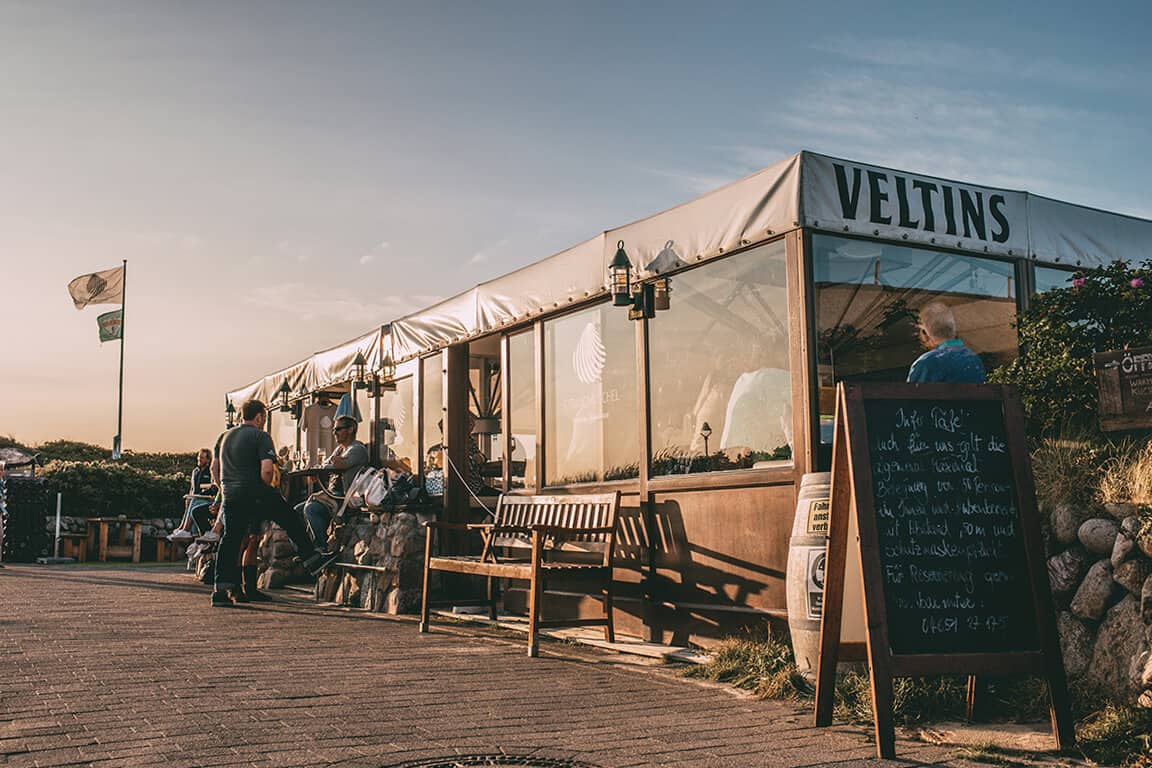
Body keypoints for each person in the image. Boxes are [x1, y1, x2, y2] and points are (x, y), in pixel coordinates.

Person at [210, 399, 337, 608]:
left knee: (230, 539)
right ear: (259, 417)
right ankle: (311, 558)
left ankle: (221, 590)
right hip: (255, 490)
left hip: (230, 494)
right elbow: (267, 470)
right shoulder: (261, 436)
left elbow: (215, 468)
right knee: (290, 517)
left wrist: (224, 487)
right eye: (265, 418)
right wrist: (265, 488)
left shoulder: (223, 437)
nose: (264, 421)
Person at [295, 415, 368, 548]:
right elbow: (327, 464)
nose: (334, 433)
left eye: (338, 429)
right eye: (334, 430)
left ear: (351, 429)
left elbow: (339, 465)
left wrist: (332, 464)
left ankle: (322, 549)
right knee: (296, 511)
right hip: (331, 495)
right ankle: (305, 550)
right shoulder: (340, 449)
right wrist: (323, 467)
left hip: (344, 498)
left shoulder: (357, 449)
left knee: (312, 509)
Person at [907, 302, 987, 383]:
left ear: (926, 332)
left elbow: (911, 394)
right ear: (953, 327)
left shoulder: (926, 363)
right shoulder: (974, 360)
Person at [169, 449, 216, 542]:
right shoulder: (195, 471)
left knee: (194, 501)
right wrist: (189, 497)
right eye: (198, 457)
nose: (199, 459)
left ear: (208, 460)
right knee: (191, 500)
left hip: (207, 499)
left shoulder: (210, 471)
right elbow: (192, 488)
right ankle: (182, 528)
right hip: (196, 498)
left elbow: (213, 488)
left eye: (202, 458)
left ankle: (186, 530)